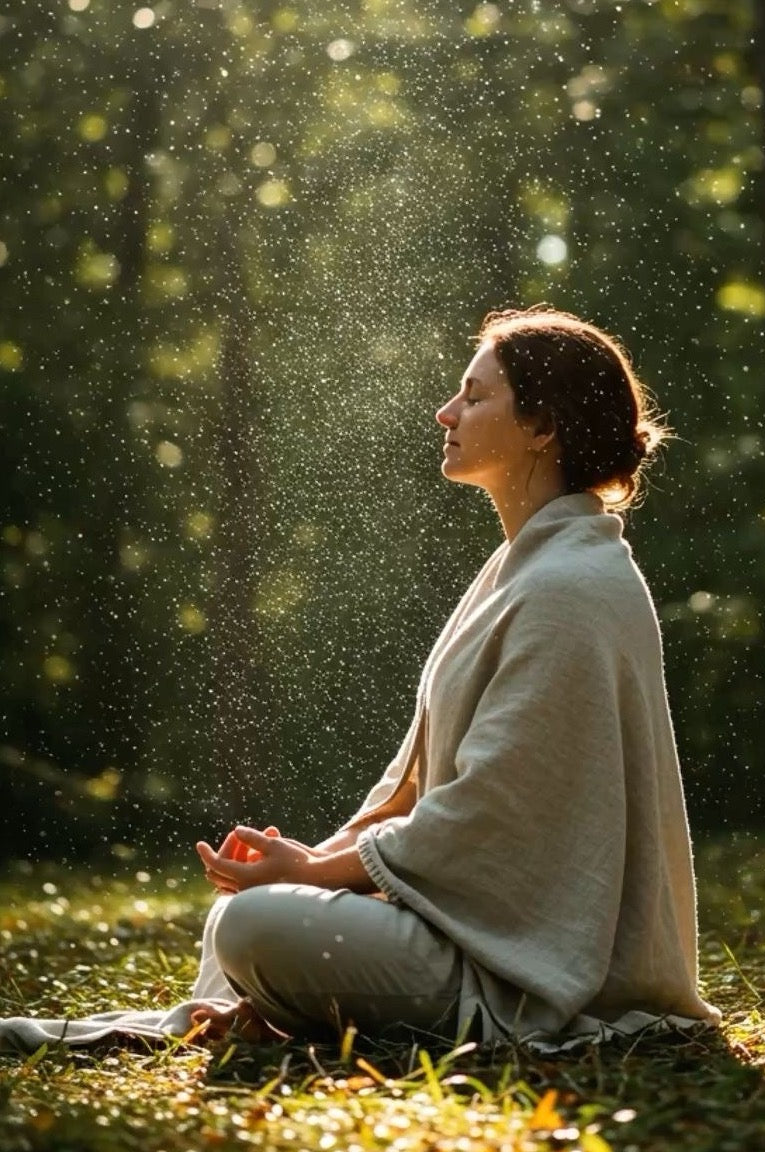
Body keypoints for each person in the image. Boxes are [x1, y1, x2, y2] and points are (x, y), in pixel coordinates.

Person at [0, 306, 719, 1054]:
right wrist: (318, 861)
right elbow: (412, 788)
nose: (446, 412)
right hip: (460, 935)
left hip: (518, 971)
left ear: (542, 427)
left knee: (255, 924)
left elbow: (491, 810)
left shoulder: (572, 584)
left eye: (474, 397)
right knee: (249, 913)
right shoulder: (526, 567)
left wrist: (320, 870)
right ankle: (211, 1017)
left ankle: (265, 1008)